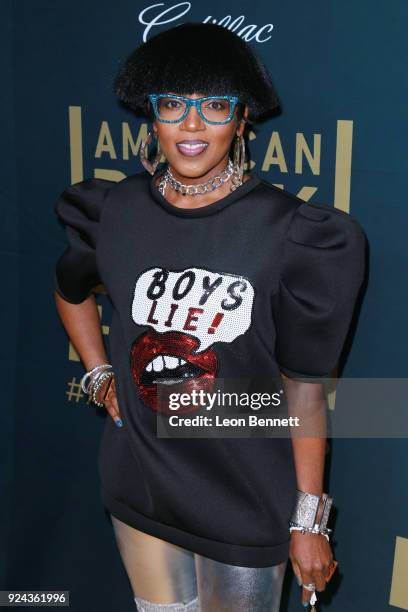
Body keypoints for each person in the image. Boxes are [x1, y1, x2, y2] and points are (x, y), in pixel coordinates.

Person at [53, 22, 366, 611]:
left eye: (214, 106)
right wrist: (99, 375)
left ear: (242, 119)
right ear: (153, 116)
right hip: (140, 483)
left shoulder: (290, 232)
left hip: (243, 495)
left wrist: (310, 517)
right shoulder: (115, 210)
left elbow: (303, 392)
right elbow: (69, 290)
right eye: (173, 105)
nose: (191, 125)